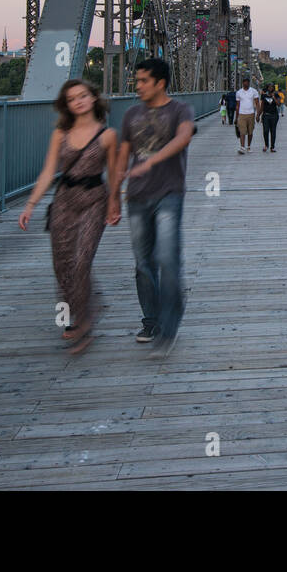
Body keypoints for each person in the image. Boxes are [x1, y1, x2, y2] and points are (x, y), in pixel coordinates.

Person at [19, 79, 119, 356]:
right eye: (73, 98)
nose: (79, 101)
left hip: (93, 200)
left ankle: (83, 323)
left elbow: (113, 173)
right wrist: (30, 204)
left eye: (83, 95)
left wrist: (114, 203)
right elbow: (48, 171)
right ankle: (84, 308)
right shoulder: (60, 134)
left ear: (93, 98)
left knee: (81, 261)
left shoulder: (108, 135)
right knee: (63, 265)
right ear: (67, 104)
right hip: (64, 200)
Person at [116, 58, 195, 357]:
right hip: (136, 196)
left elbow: (184, 137)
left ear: (160, 83)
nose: (137, 86)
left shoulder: (180, 110)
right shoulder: (130, 115)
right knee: (142, 264)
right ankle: (151, 321)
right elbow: (123, 157)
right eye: (136, 81)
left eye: (142, 81)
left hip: (169, 192)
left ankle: (169, 327)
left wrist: (151, 161)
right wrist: (113, 195)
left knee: (167, 258)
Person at [234, 75, 259, 154]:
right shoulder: (239, 93)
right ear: (242, 83)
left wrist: (258, 114)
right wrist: (236, 117)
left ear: (249, 83)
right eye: (244, 82)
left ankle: (249, 146)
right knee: (242, 131)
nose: (246, 83)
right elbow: (237, 106)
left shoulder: (254, 91)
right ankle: (242, 147)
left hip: (251, 113)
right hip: (242, 114)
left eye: (247, 82)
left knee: (250, 132)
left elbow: (257, 103)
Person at [260, 82, 281, 152]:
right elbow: (262, 106)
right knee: (265, 131)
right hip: (266, 115)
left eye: (272, 87)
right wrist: (258, 115)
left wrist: (274, 97)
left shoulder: (276, 95)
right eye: (269, 87)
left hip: (274, 116)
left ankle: (272, 147)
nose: (270, 88)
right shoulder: (263, 95)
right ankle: (266, 145)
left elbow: (279, 104)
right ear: (267, 88)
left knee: (273, 131)